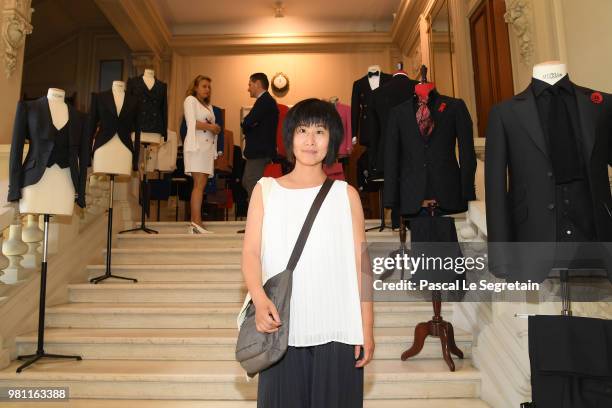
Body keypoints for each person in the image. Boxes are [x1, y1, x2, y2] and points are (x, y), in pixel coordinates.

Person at [241, 98, 374, 407]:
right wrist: (260, 301)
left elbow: (362, 265)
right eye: (302, 130)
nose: (311, 140)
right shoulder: (266, 190)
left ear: (333, 141)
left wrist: (366, 328)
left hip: (338, 329)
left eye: (320, 131)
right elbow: (250, 253)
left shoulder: (347, 195)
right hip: (282, 329)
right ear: (290, 137)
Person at [183, 75, 221, 233]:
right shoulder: (190, 100)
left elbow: (211, 127)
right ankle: (195, 223)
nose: (207, 89)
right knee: (198, 185)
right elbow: (191, 123)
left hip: (206, 150)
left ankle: (197, 222)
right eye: (204, 86)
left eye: (209, 87)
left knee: (201, 186)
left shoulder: (208, 106)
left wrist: (216, 129)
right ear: (196, 87)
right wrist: (212, 127)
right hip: (196, 147)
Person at [241, 72, 279, 200]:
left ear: (257, 84)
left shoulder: (265, 101)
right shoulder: (265, 101)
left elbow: (247, 122)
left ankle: (257, 216)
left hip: (259, 152)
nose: (248, 88)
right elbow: (250, 122)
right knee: (248, 181)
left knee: (252, 183)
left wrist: (247, 124)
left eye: (250, 84)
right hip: (260, 152)